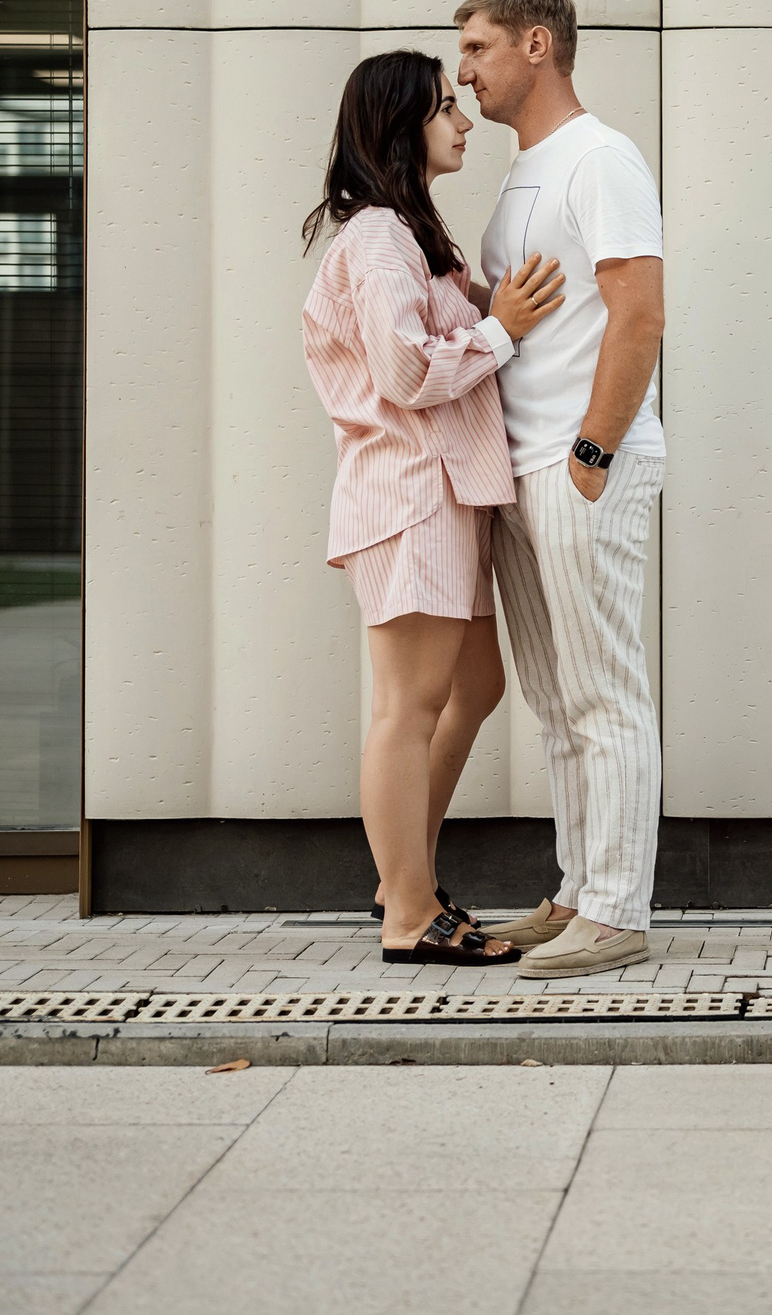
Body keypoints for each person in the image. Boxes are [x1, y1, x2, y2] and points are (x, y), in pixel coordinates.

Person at [301, 49, 566, 965]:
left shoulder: (410, 234)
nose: (462, 121)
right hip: (409, 499)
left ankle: (400, 870)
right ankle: (408, 914)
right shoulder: (376, 239)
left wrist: (497, 313)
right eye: (445, 108)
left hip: (448, 498)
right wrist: (503, 329)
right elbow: (409, 372)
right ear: (400, 129)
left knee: (476, 686)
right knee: (407, 708)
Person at [455, 0, 668, 981]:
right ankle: (580, 890)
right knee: (554, 699)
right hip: (523, 464)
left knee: (604, 691)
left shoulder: (600, 158)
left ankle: (619, 910)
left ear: (538, 45)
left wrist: (593, 451)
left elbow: (640, 313)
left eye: (479, 46)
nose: (465, 69)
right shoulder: (525, 169)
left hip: (577, 464)